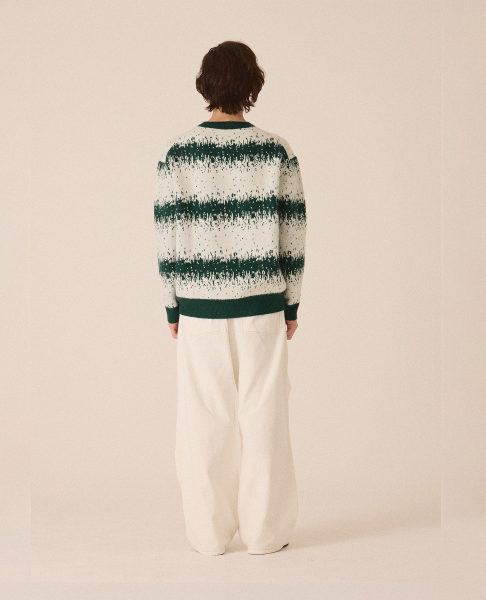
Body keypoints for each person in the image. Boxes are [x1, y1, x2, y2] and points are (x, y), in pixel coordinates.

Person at [154, 41, 307, 556]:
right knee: (266, 420)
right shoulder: (276, 151)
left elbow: (167, 235)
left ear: (206, 84)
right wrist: (291, 303)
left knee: (203, 421)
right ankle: (265, 534)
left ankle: (209, 535)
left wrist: (172, 304)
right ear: (252, 85)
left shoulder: (178, 153)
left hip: (198, 310)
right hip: (262, 307)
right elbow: (294, 232)